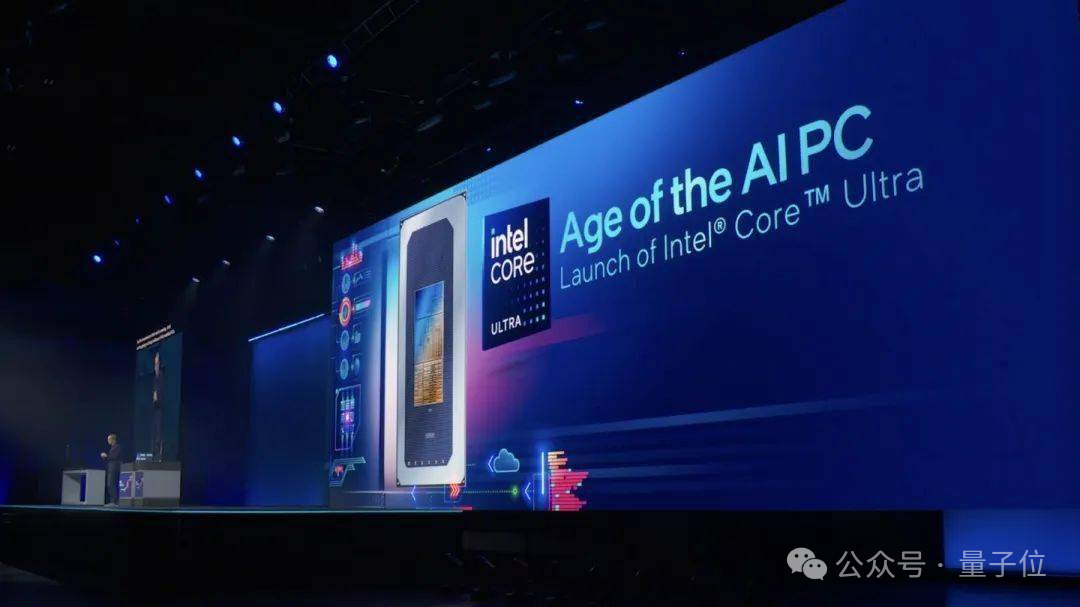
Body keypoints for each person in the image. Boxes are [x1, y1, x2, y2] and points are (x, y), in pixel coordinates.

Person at [99, 433, 122, 506]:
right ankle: (112, 501)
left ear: (112, 440)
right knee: (110, 484)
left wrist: (106, 456)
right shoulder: (113, 447)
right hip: (111, 467)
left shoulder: (117, 447)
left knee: (111, 484)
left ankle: (114, 501)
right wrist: (105, 457)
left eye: (109, 439)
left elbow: (114, 457)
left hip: (114, 467)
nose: (108, 441)